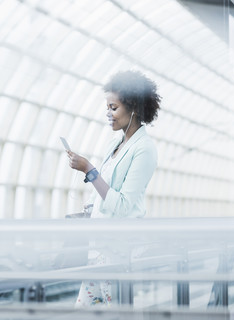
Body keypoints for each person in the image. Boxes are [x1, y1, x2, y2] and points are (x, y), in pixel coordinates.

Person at [66, 70, 161, 307]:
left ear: (135, 108)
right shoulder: (115, 143)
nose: (108, 114)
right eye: (107, 107)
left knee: (114, 311)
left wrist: (89, 169)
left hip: (121, 251)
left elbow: (122, 205)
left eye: (114, 107)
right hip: (100, 248)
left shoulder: (144, 149)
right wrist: (92, 208)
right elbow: (107, 190)